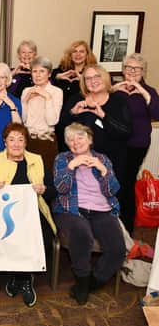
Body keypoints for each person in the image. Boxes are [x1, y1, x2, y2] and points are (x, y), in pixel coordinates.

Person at [0, 123, 56, 308]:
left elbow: (53, 191)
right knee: (10, 236)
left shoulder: (36, 160)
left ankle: (21, 278)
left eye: (21, 140)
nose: (16, 144)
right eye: (11, 139)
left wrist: (44, 189)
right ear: (4, 142)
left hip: (33, 210)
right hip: (2, 212)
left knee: (44, 236)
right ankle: (22, 278)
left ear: (26, 143)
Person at [53, 123, 125, 305]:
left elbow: (113, 190)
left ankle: (90, 282)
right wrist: (71, 167)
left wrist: (103, 170)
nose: (75, 142)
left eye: (80, 137)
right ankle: (82, 277)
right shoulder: (63, 159)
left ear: (90, 139)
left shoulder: (103, 159)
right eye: (70, 139)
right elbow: (61, 188)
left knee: (117, 249)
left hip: (102, 210)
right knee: (82, 234)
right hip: (72, 209)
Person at [59, 64, 131, 223]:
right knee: (87, 201)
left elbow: (125, 132)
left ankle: (118, 235)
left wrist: (103, 115)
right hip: (83, 163)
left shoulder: (118, 101)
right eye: (88, 78)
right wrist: (73, 113)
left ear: (105, 78)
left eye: (96, 76)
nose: (93, 81)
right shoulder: (77, 99)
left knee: (111, 200)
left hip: (112, 160)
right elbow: (61, 126)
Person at [111, 54, 159, 232]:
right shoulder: (116, 90)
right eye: (128, 68)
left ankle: (127, 228)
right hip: (116, 143)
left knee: (127, 183)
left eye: (136, 69)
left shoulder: (150, 91)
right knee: (114, 182)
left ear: (143, 71)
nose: (132, 72)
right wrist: (114, 90)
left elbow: (157, 113)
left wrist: (142, 91)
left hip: (137, 145)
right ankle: (111, 225)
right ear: (123, 70)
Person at [20, 56, 63, 170]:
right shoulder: (26, 91)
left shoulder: (56, 92)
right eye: (34, 71)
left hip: (47, 140)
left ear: (49, 74)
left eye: (42, 71)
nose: (37, 75)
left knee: (46, 179)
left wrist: (47, 98)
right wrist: (25, 101)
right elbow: (22, 120)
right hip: (28, 140)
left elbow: (52, 121)